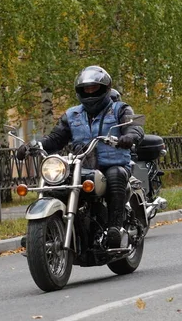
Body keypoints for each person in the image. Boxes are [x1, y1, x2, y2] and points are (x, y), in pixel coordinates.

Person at [16, 65, 144, 248]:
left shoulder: (120, 109)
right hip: (81, 166)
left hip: (113, 164)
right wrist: (33, 146)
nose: (90, 92)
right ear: (80, 91)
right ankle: (40, 233)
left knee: (115, 175)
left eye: (94, 87)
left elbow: (134, 126)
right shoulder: (72, 115)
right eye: (86, 88)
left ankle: (114, 227)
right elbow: (56, 138)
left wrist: (130, 136)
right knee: (56, 183)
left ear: (105, 88)